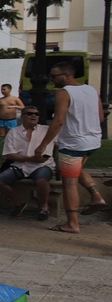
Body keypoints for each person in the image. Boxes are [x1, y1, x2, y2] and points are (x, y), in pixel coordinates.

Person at [34, 61, 110, 233]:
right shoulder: (91, 90)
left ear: (67, 75)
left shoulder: (64, 93)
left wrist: (43, 144)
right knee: (77, 170)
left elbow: (58, 121)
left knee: (69, 183)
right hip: (92, 141)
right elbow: (100, 117)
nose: (51, 79)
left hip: (73, 143)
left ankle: (72, 223)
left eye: (54, 76)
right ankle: (96, 196)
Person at [0, 106, 54, 220]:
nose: (33, 116)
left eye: (36, 114)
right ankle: (18, 204)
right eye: (30, 113)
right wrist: (30, 159)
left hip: (42, 165)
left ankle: (44, 207)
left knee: (42, 180)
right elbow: (9, 154)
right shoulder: (13, 132)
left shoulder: (47, 130)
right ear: (22, 116)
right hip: (20, 165)